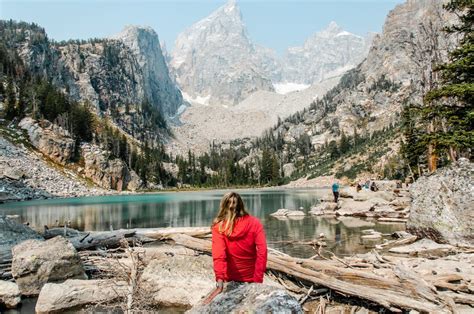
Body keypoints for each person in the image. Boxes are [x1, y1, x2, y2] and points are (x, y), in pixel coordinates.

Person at [203, 192, 267, 305]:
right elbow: (262, 252)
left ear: (223, 206)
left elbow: (219, 255)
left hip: (230, 278)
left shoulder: (219, 227)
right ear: (241, 205)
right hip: (251, 277)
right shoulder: (255, 223)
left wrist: (220, 280)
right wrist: (257, 281)